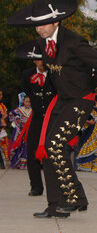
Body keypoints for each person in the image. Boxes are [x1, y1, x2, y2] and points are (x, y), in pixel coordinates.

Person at [7, 0, 97, 218]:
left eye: (45, 23)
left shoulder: (74, 41)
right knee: (46, 148)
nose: (40, 28)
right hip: (62, 100)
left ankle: (71, 199)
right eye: (37, 24)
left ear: (56, 22)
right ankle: (59, 203)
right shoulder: (44, 42)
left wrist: (92, 89)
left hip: (80, 100)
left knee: (55, 144)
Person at [15, 39, 56, 196]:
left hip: (53, 120)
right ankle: (36, 186)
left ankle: (56, 186)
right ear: (34, 60)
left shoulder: (55, 73)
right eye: (39, 59)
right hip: (37, 118)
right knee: (32, 152)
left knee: (52, 154)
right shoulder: (27, 74)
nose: (42, 62)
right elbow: (27, 91)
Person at [9, 94, 32, 169]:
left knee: (28, 147)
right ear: (23, 102)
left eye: (29, 102)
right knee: (20, 146)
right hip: (20, 130)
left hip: (29, 130)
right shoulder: (19, 109)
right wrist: (17, 121)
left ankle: (26, 164)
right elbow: (11, 114)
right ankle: (18, 163)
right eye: (26, 101)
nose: (28, 103)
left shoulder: (33, 110)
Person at [0, 90, 10, 169]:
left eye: (1, 94)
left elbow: (4, 116)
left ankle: (3, 162)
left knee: (3, 144)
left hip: (1, 127)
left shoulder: (2, 105)